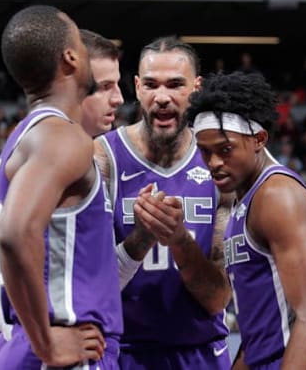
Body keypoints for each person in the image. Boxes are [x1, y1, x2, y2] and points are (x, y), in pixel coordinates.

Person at [0, 5, 121, 369]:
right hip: (66, 352)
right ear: (71, 57)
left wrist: (21, 332)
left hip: (31, 348)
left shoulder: (23, 140)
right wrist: (45, 342)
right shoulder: (62, 138)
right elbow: (14, 233)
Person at [184, 72, 306, 369]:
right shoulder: (243, 200)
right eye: (205, 152)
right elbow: (260, 331)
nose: (213, 163)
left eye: (225, 149)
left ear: (259, 139)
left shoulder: (276, 195)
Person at [95, 36, 232, 369]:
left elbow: (217, 299)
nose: (162, 98)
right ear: (137, 87)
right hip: (124, 351)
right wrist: (141, 239)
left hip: (201, 350)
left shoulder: (219, 164)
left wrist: (179, 241)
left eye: (175, 85)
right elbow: (91, 286)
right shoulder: (103, 158)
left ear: (196, 89)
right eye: (152, 85)